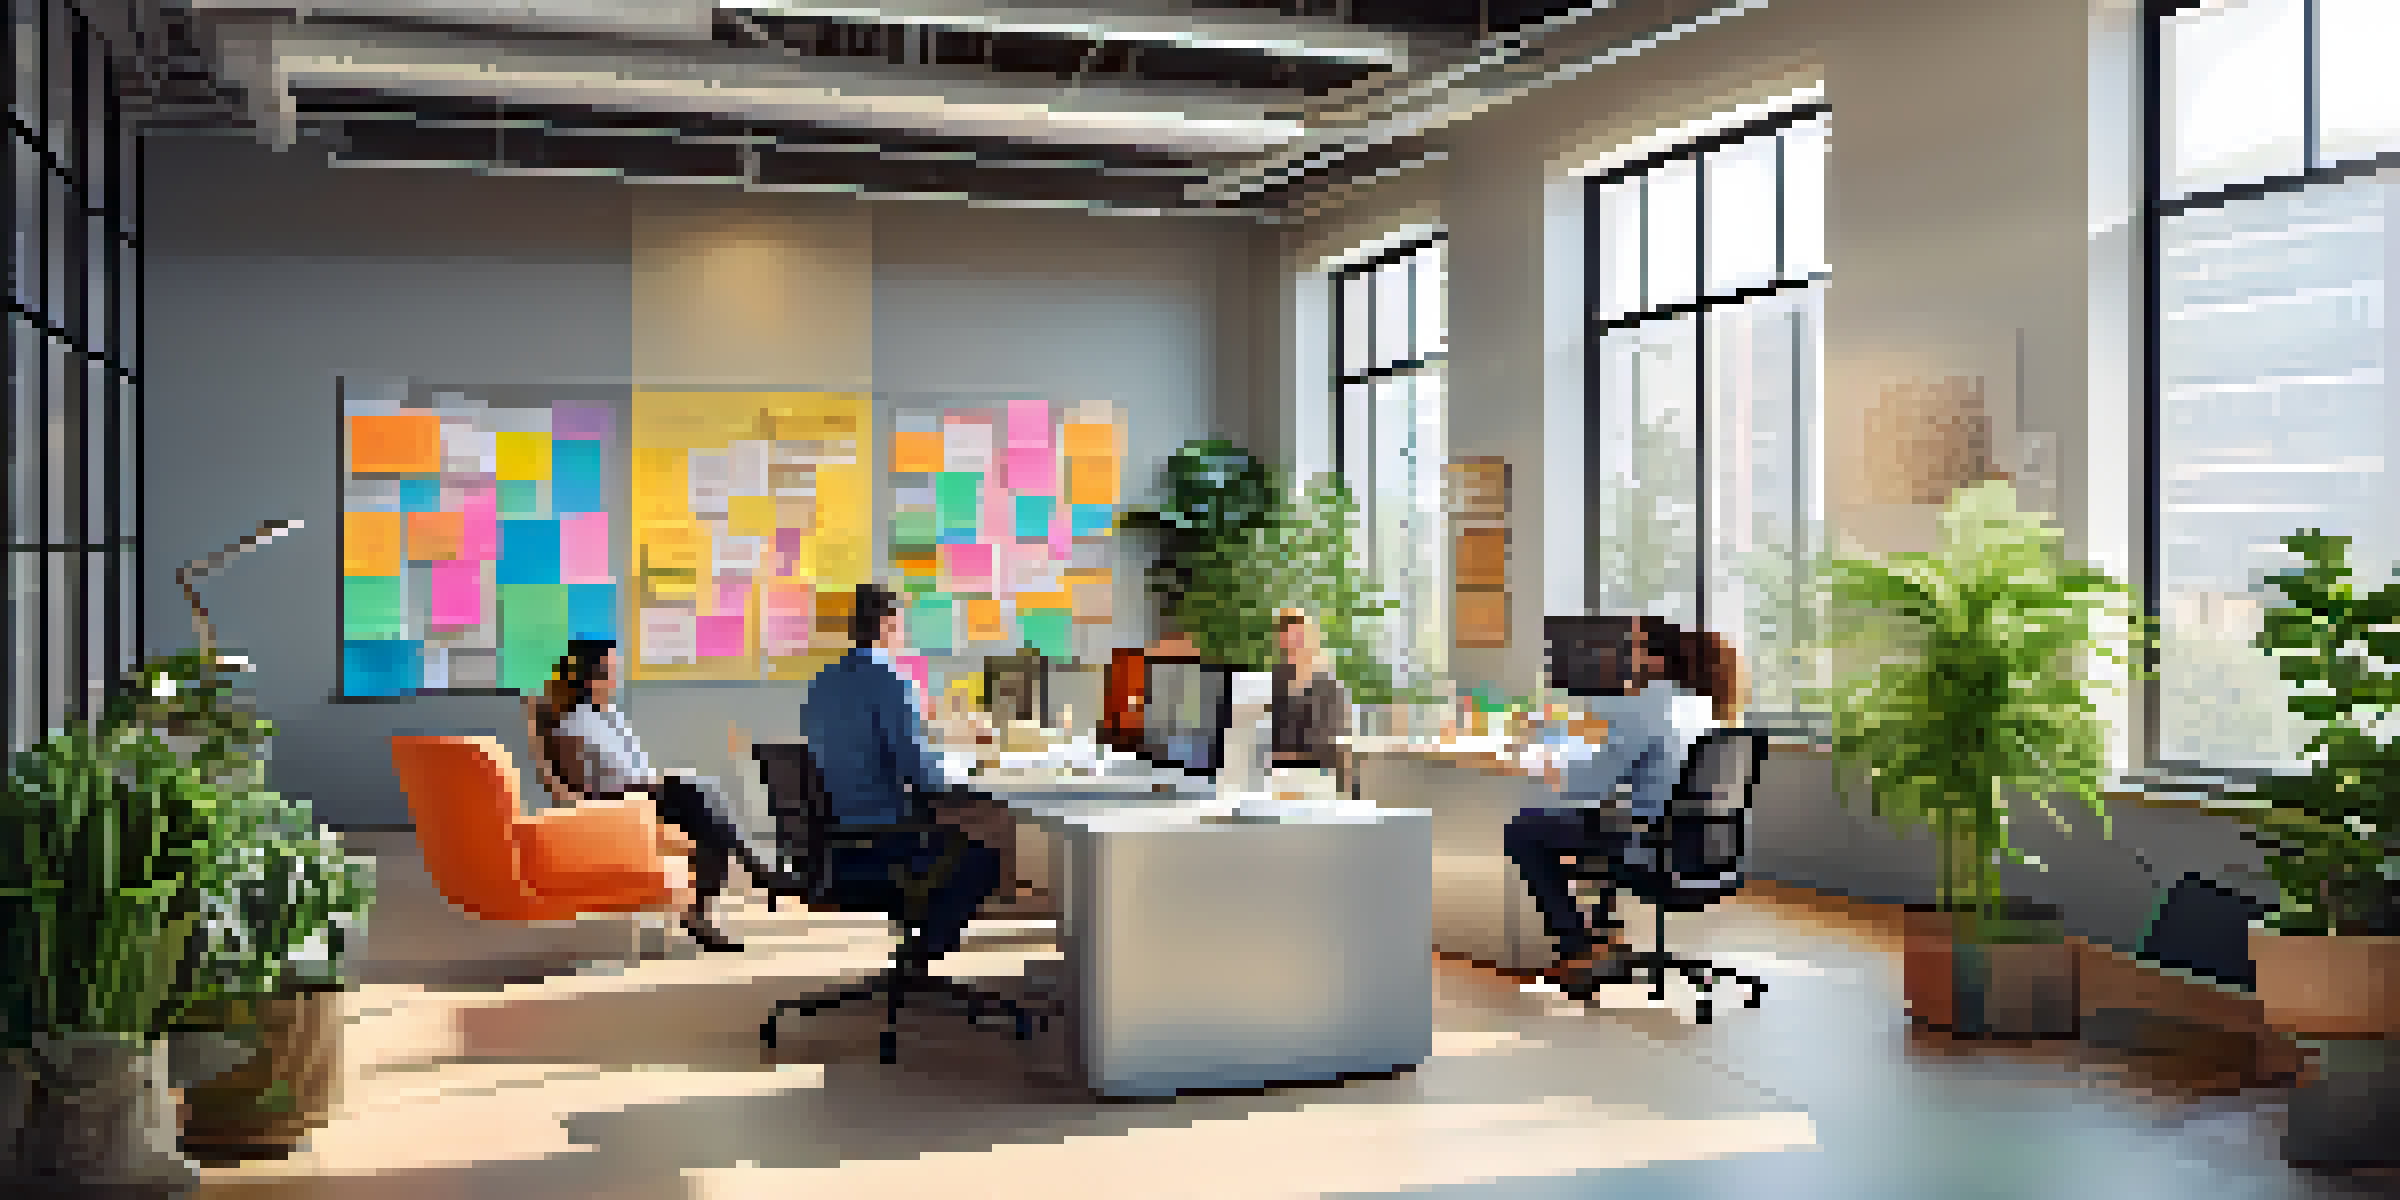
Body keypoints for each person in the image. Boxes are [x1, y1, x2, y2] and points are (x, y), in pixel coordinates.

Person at [1504, 616, 1743, 993]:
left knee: (1524, 831)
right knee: (1597, 826)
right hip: (1705, 855)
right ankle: (1602, 937)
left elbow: (1592, 783)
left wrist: (1551, 767)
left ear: (1657, 660)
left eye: (1635, 649)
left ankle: (1578, 946)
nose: (1626, 659)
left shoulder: (1645, 706)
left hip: (1653, 849)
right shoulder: (1703, 707)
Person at [537, 639, 802, 952]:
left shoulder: (611, 716)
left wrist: (655, 783)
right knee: (696, 790)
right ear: (591, 677)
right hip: (617, 805)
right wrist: (648, 787)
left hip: (646, 797)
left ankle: (728, 889)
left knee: (707, 816)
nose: (617, 677)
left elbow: (638, 767)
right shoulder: (571, 724)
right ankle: (752, 870)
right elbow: (583, 789)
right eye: (611, 670)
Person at [799, 584, 1003, 965]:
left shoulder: (821, 682)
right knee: (983, 859)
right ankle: (919, 957)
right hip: (882, 843)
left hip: (833, 846)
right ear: (887, 625)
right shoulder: (892, 680)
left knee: (950, 841)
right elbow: (922, 774)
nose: (904, 638)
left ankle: (915, 953)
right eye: (902, 627)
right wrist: (966, 769)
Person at [1270, 609, 1354, 792]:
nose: (1292, 648)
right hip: (1276, 779)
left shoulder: (1329, 686)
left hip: (1318, 778)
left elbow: (1330, 743)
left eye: (1297, 641)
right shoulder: (1274, 683)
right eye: (1286, 641)